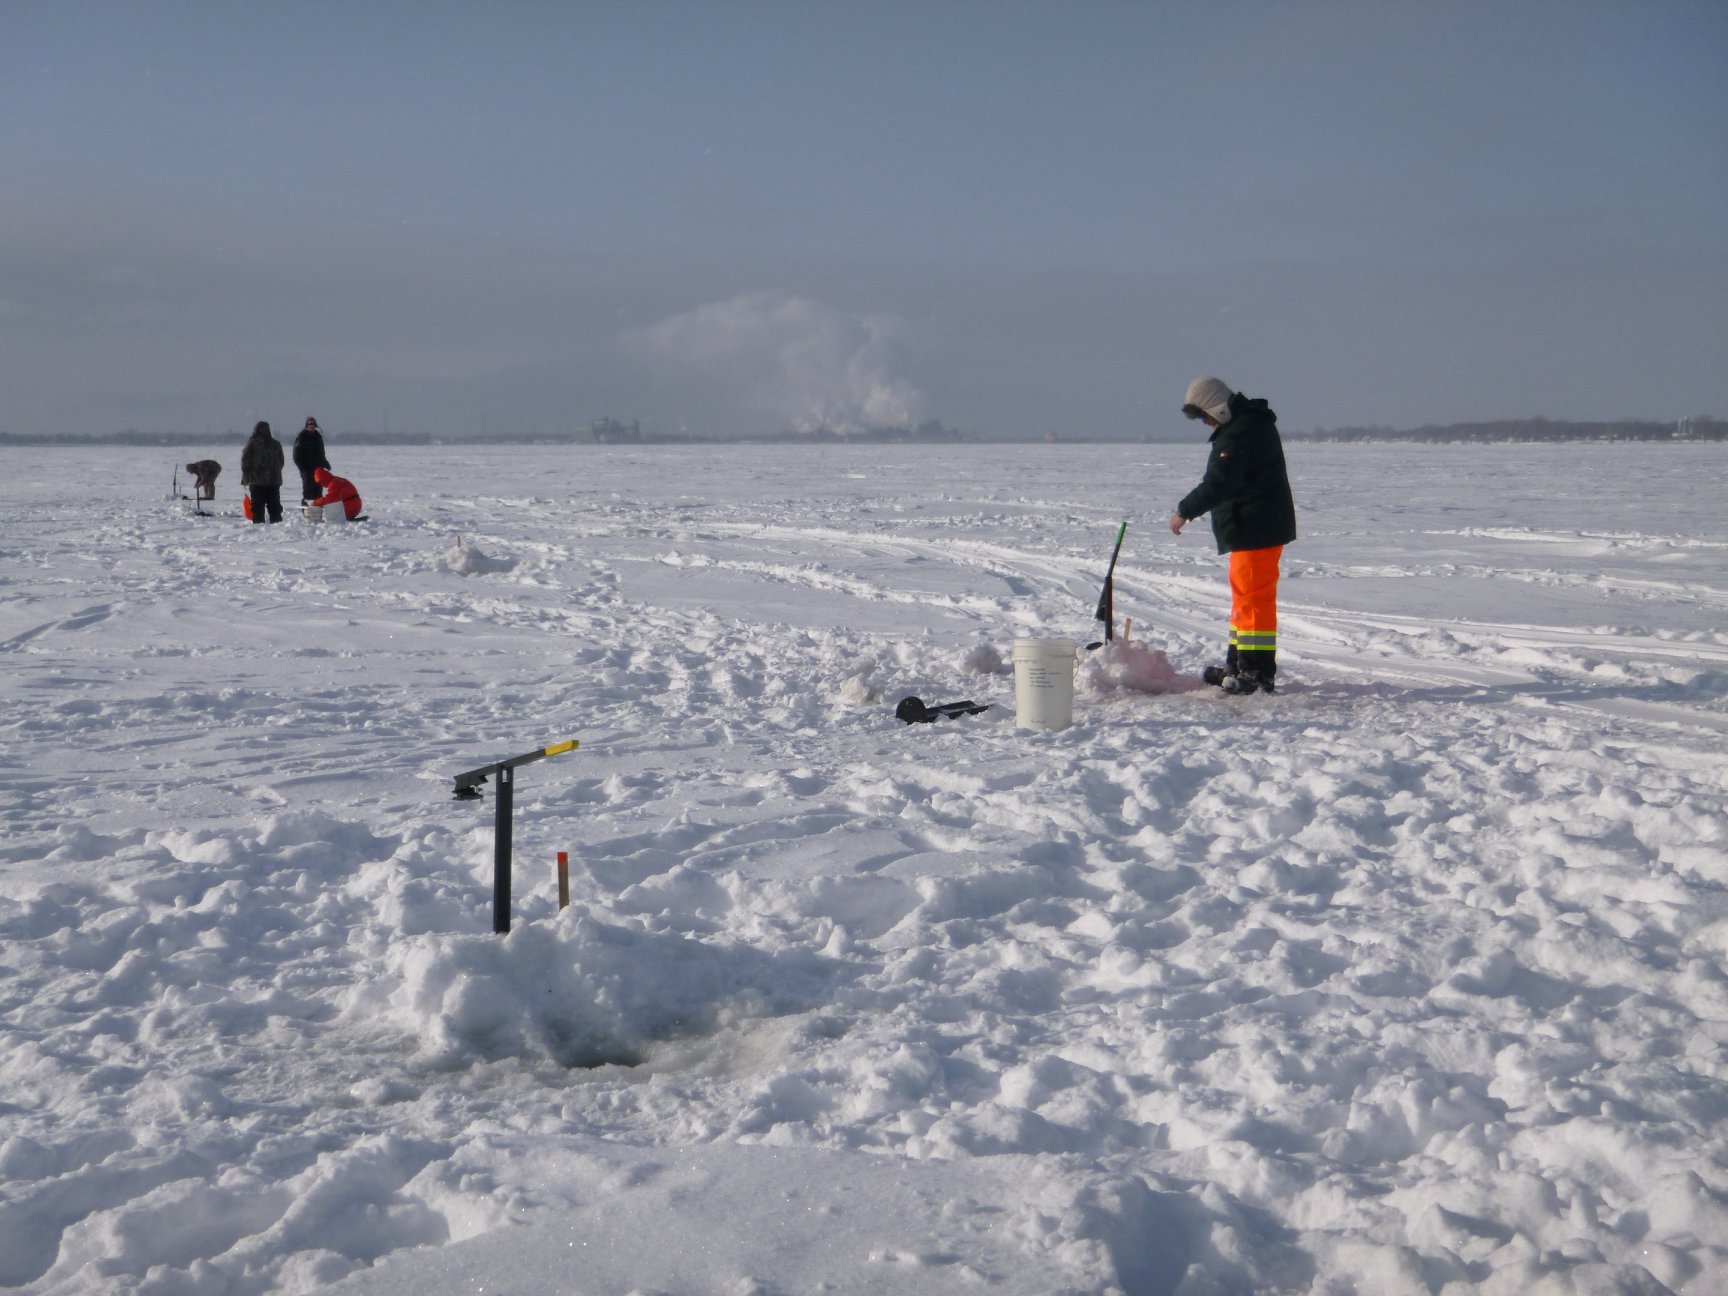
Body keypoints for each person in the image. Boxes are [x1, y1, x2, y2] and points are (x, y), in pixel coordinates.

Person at [1168, 376, 1297, 695]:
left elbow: (1220, 483)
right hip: (1251, 528)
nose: (1204, 422)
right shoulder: (1245, 426)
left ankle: (1255, 673)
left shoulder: (1242, 432)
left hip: (1257, 528)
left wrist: (1185, 510)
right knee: (1245, 599)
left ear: (1217, 407)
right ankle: (1238, 666)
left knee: (1253, 600)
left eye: (1203, 415)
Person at [240, 421, 285, 524]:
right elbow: (281, 462)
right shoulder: (276, 444)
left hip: (257, 481)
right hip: (274, 481)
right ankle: (277, 525)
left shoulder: (252, 442)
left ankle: (259, 526)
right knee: (274, 506)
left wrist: (248, 473)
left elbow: (245, 461)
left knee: (257, 506)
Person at [292, 417, 332, 502]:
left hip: (318, 469)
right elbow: (296, 456)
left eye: (313, 424)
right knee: (308, 491)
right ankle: (307, 512)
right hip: (307, 469)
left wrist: (325, 463)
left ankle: (317, 512)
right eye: (310, 424)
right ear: (307, 425)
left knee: (318, 492)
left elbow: (321, 453)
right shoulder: (301, 437)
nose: (312, 426)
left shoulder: (318, 437)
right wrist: (303, 468)